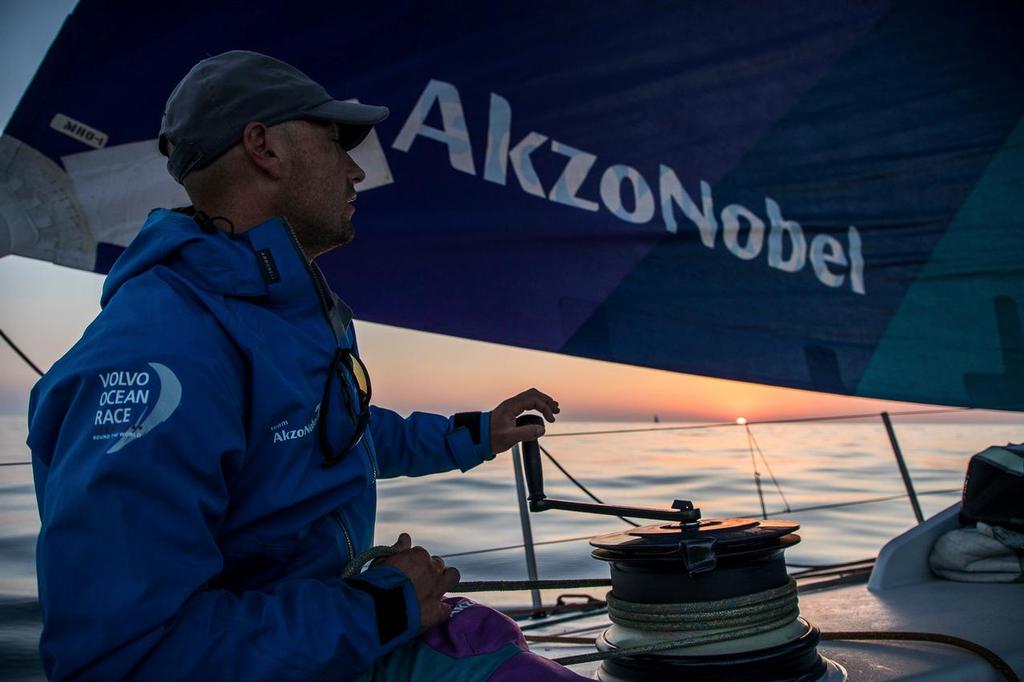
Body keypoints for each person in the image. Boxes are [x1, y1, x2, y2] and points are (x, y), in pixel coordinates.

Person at [28, 51, 585, 681]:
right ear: (263, 147)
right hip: (315, 647)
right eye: (334, 141)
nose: (355, 171)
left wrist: (478, 432)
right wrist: (379, 606)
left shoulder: (266, 313)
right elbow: (121, 661)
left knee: (489, 644)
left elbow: (333, 434)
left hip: (328, 635)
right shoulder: (158, 359)